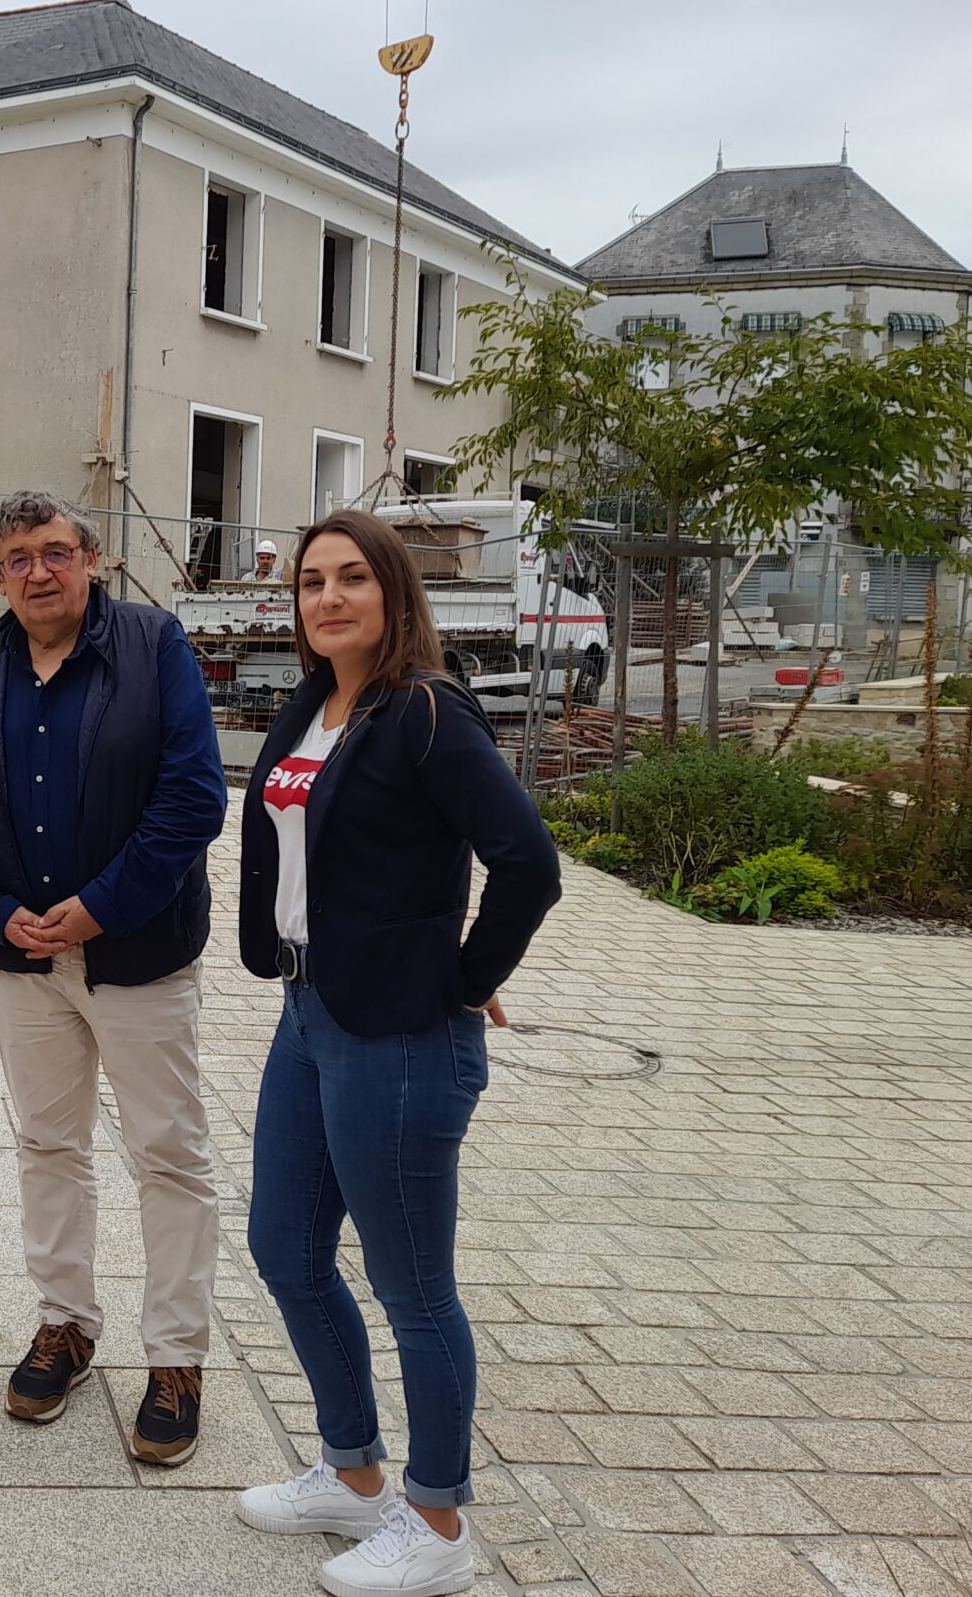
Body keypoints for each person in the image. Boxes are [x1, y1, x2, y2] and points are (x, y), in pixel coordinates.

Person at [230, 509, 560, 1597]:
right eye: (312, 582)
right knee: (283, 1249)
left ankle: (438, 1522)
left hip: (403, 1040)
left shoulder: (424, 714)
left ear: (393, 595)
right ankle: (355, 1473)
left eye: (352, 580)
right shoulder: (311, 708)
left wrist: (460, 979)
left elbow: (526, 863)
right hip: (310, 1012)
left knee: (413, 1287)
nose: (328, 599)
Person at [0, 491, 228, 1465]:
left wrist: (99, 906)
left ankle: (176, 1361)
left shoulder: (151, 647)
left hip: (137, 956)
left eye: (55, 552)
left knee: (168, 1156)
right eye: (17, 558)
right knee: (48, 1146)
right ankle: (66, 1326)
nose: (38, 571)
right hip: (25, 962)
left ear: (90, 557)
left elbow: (192, 797)